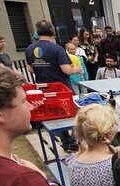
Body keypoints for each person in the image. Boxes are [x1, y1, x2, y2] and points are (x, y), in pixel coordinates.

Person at [26, 20, 81, 152]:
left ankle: (65, 142)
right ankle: (73, 143)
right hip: (62, 88)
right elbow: (66, 70)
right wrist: (76, 70)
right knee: (74, 114)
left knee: (56, 115)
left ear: (38, 32)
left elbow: (30, 69)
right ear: (53, 32)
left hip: (43, 88)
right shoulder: (57, 49)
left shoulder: (30, 49)